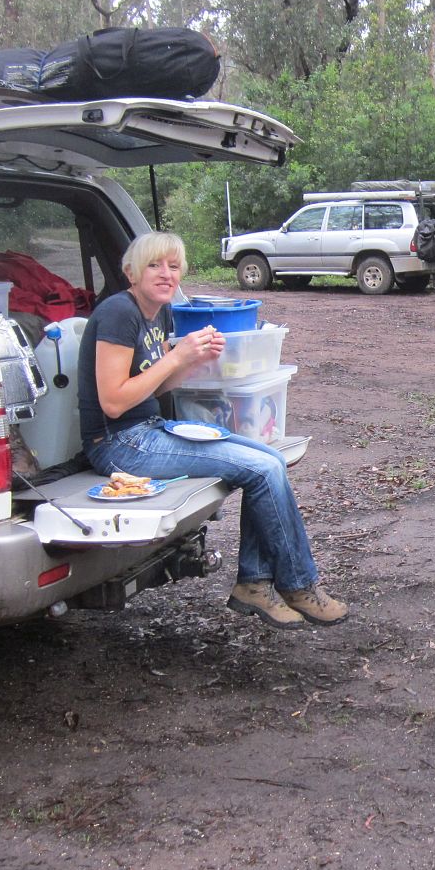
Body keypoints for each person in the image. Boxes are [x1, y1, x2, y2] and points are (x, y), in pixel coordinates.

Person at [78, 231, 347, 629]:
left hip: (150, 428)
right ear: (130, 272)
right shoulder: (119, 312)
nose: (166, 274)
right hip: (119, 444)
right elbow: (114, 402)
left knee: (270, 458)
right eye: (154, 265)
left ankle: (255, 583)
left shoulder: (159, 313)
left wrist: (193, 360)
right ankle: (297, 583)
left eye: (173, 266)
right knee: (262, 470)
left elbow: (159, 385)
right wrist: (178, 357)